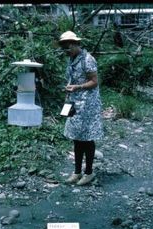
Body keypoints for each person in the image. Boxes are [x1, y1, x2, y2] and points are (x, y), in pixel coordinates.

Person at [58, 31, 103, 185]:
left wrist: (77, 87)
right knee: (77, 138)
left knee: (87, 138)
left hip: (88, 104)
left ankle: (89, 172)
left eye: (69, 45)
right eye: (64, 46)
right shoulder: (71, 59)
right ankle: (77, 172)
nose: (67, 49)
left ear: (76, 44)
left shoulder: (88, 59)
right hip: (75, 102)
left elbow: (94, 81)